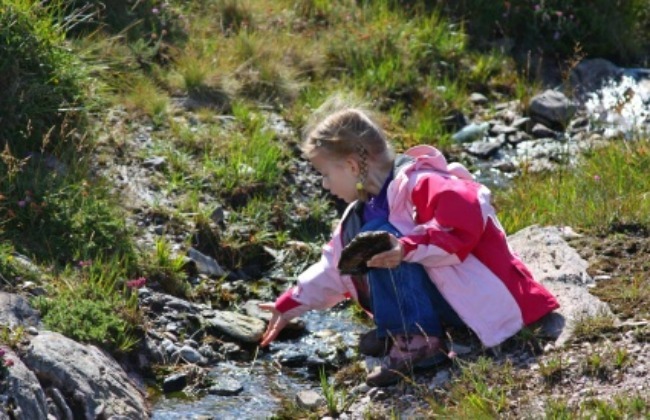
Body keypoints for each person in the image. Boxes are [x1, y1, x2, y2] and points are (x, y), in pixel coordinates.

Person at [259, 97, 559, 387]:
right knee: (364, 240)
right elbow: (334, 267)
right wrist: (288, 304)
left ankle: (417, 339)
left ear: (351, 166)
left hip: (478, 301)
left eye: (325, 174)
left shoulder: (418, 182)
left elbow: (467, 209)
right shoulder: (359, 213)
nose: (324, 184)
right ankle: (398, 328)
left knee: (378, 236)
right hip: (446, 300)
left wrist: (405, 246)